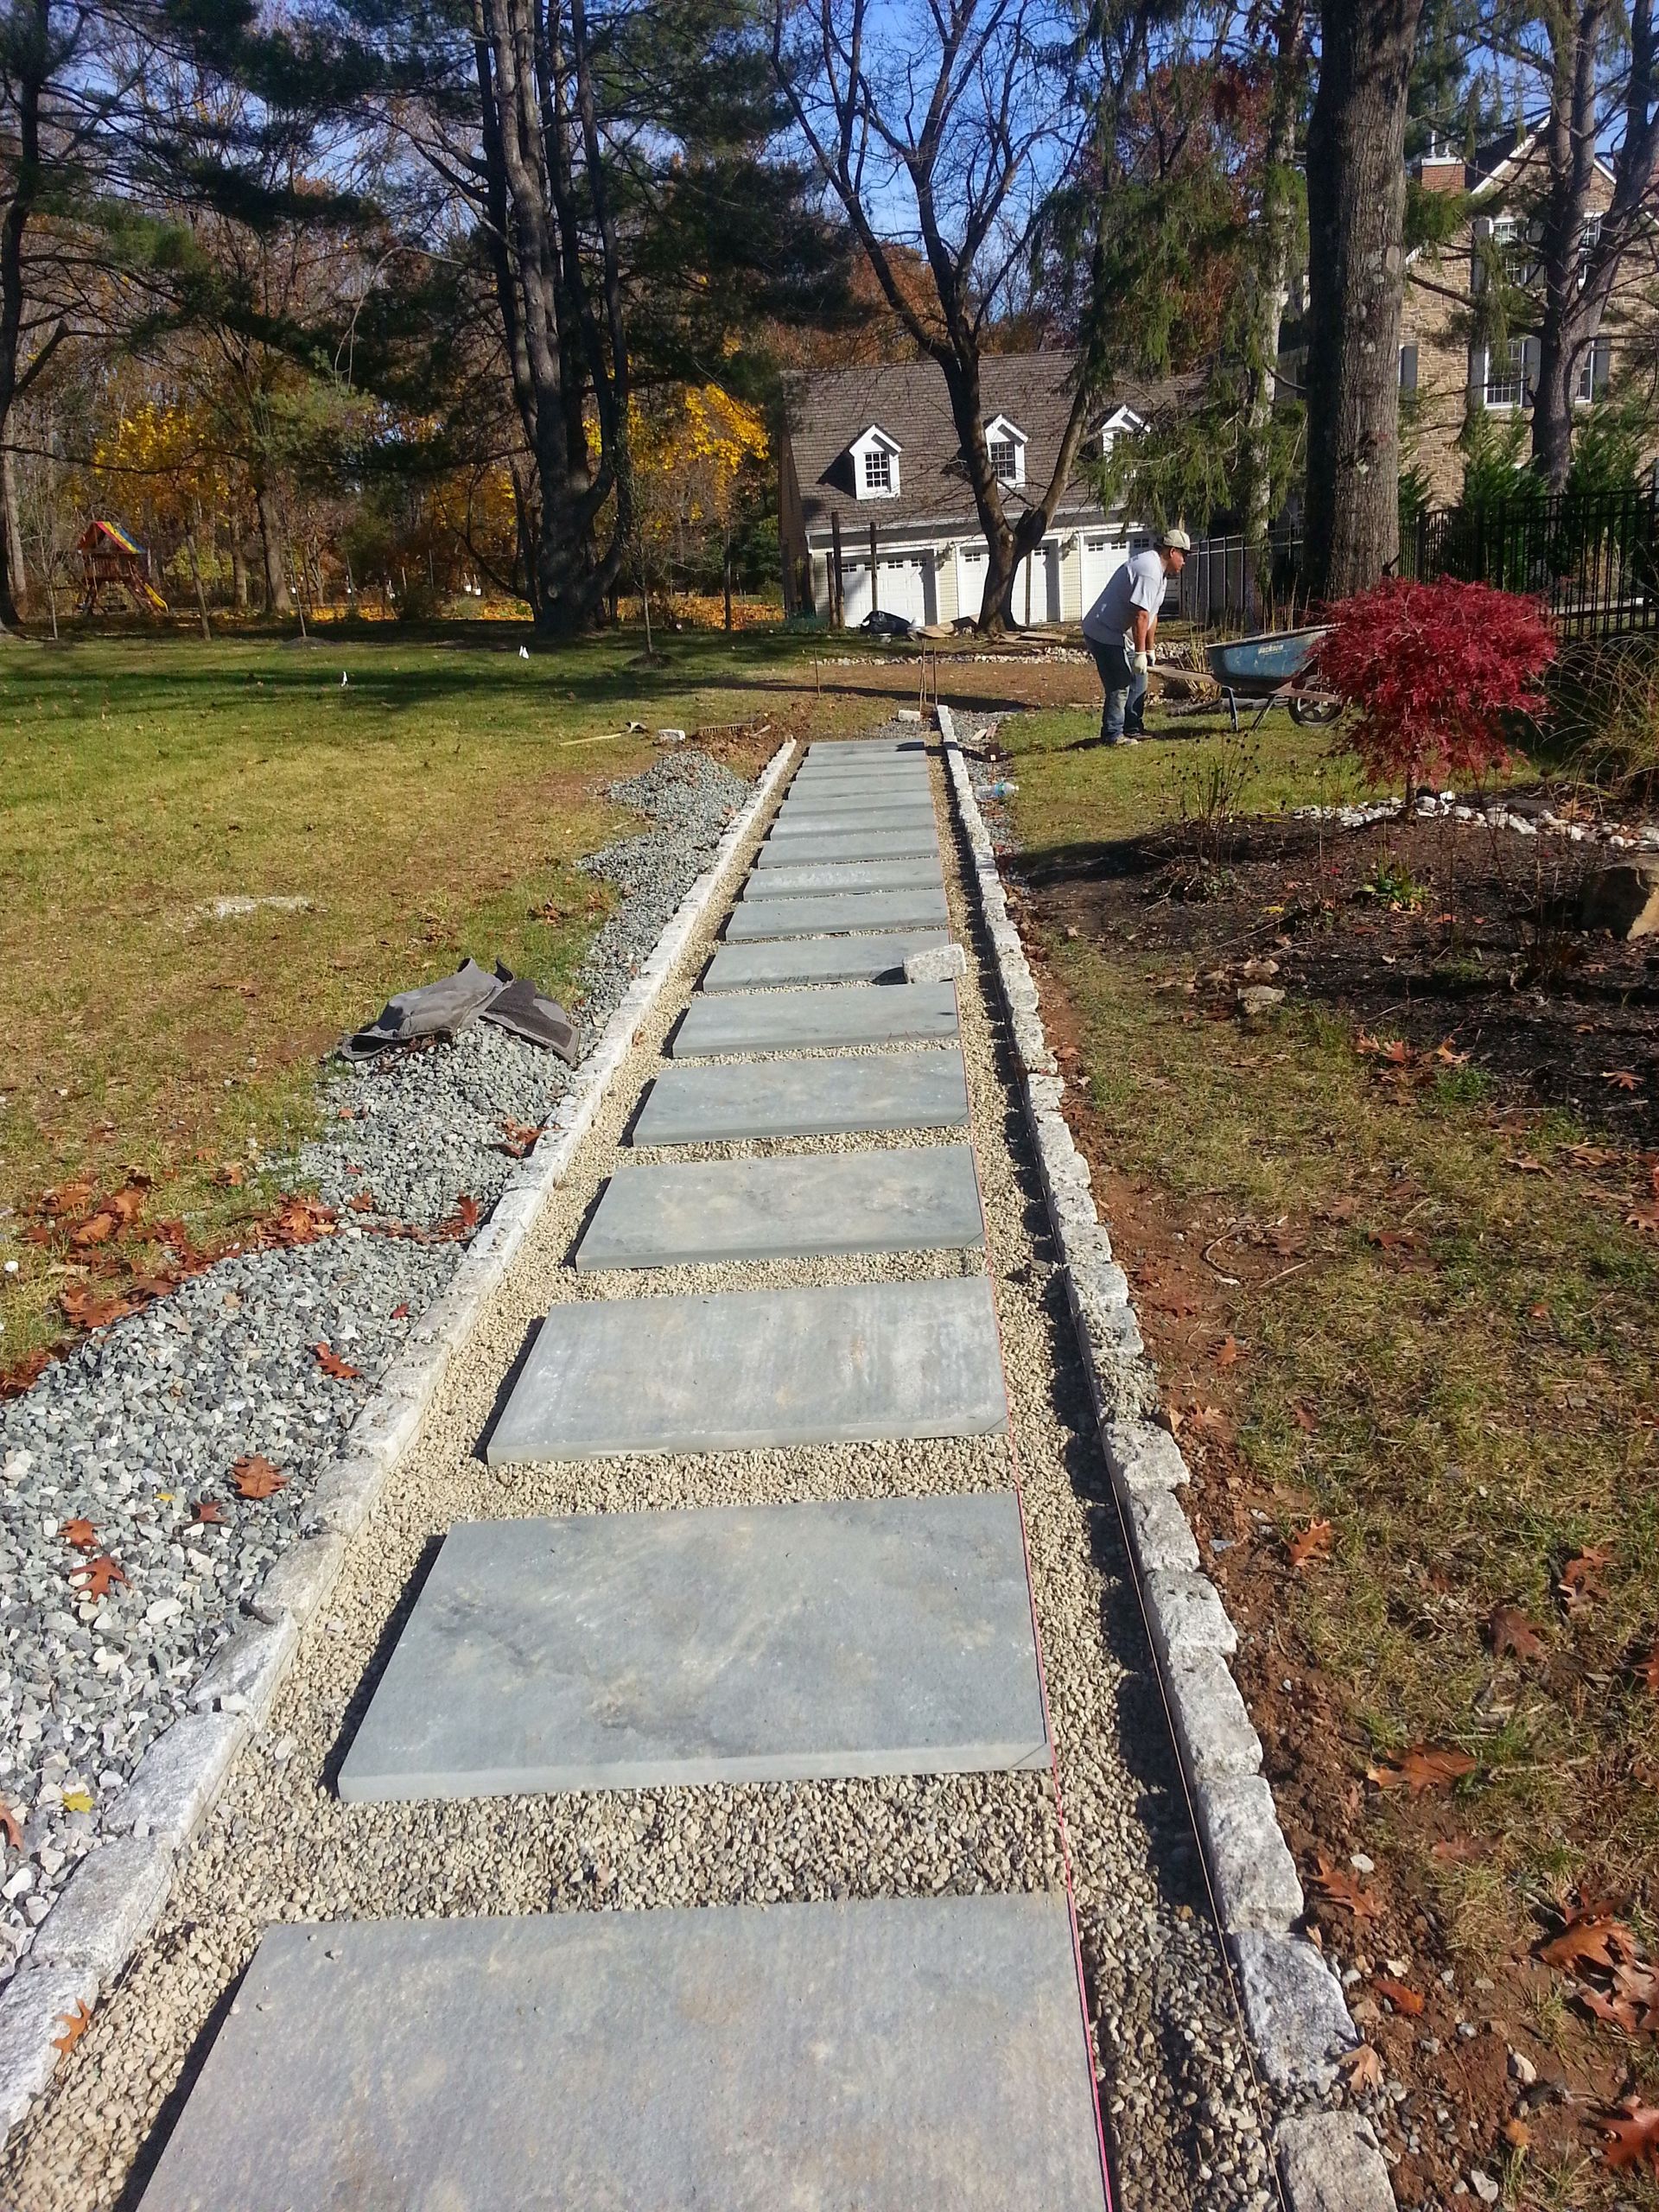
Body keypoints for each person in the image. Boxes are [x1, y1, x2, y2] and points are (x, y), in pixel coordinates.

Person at [1080, 527, 1191, 745]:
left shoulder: (1161, 575)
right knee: (1120, 682)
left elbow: (1151, 616)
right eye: (1184, 555)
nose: (1185, 561)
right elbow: (1140, 615)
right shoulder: (1148, 570)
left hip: (1120, 633)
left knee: (1139, 679)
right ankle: (1112, 734)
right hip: (1102, 630)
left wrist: (1149, 650)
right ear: (1172, 552)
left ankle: (1133, 728)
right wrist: (1139, 652)